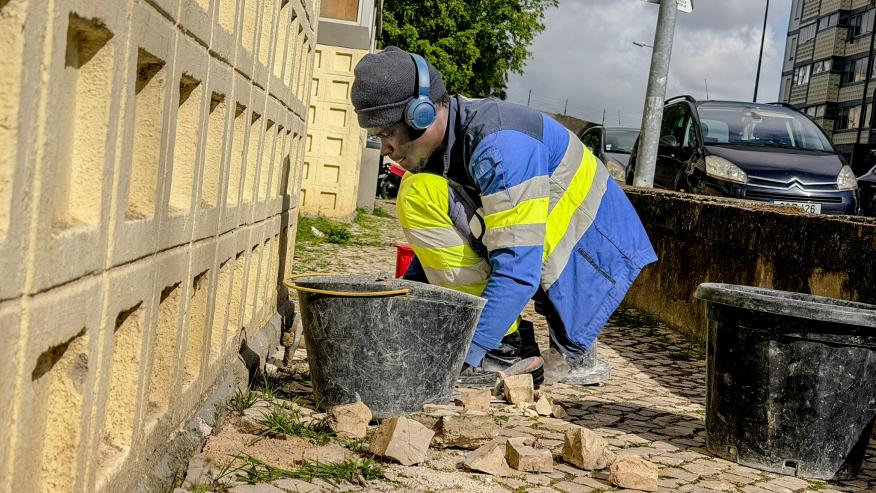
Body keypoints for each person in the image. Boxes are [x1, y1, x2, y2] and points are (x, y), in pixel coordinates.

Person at [351, 47, 657, 385]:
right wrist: (402, 305)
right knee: (423, 190)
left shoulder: (498, 147)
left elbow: (517, 269)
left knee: (418, 193)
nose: (385, 150)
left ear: (421, 115)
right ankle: (501, 341)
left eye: (388, 133)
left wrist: (460, 358)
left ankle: (504, 348)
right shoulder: (458, 141)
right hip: (574, 252)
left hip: (595, 257)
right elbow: (448, 246)